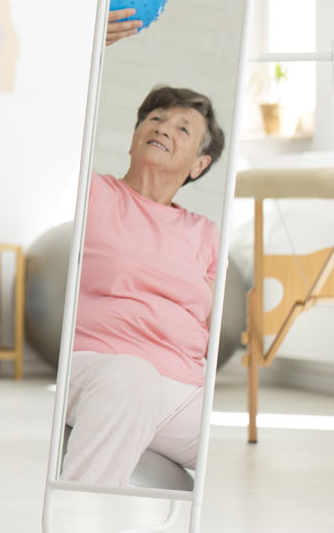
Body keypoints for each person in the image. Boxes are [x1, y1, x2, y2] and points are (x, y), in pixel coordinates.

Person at [62, 85, 225, 486]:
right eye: (155, 119)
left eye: (183, 128)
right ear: (134, 138)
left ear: (198, 165)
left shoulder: (205, 233)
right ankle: (74, 514)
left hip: (181, 390)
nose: (165, 128)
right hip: (101, 369)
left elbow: (208, 320)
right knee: (132, 378)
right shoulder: (93, 193)